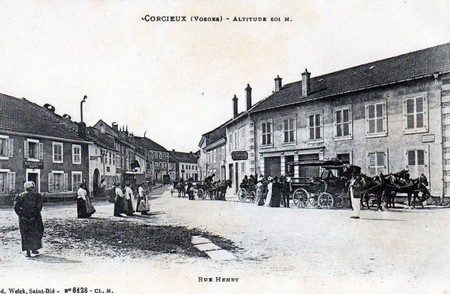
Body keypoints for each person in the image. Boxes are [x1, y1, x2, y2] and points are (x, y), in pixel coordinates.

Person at [13, 181, 44, 257]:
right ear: (32, 187)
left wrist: (22, 215)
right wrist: (34, 216)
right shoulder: (38, 196)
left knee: (25, 233)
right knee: (37, 232)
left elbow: (16, 207)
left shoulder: (19, 196)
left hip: (24, 218)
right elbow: (39, 207)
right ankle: (34, 248)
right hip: (35, 217)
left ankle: (28, 251)